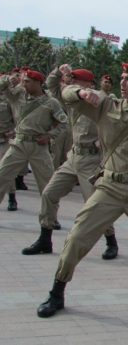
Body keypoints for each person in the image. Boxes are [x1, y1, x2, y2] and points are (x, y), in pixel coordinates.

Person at [36, 62, 128, 318]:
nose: (123, 83)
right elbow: (64, 94)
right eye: (122, 78)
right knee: (77, 238)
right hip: (109, 188)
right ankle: (57, 292)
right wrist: (80, 92)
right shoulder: (105, 106)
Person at [22, 65, 119, 258]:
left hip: (92, 159)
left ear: (90, 83)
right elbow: (51, 85)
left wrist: (108, 140)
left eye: (76, 80)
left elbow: (119, 121)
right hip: (73, 157)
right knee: (49, 194)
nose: (72, 83)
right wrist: (59, 71)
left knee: (95, 204)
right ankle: (45, 239)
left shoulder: (102, 99)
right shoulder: (71, 97)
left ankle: (111, 241)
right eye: (71, 80)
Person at [0, 71, 68, 211]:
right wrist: (8, 79)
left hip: (39, 147)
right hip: (18, 145)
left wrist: (49, 136)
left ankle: (50, 217)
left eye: (27, 81)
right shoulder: (18, 95)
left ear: (37, 83)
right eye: (23, 81)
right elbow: (2, 87)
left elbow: (63, 124)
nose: (23, 84)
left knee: (48, 185)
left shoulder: (51, 102)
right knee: (2, 177)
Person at [0, 76, 18, 210]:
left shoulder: (9, 100)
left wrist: (13, 131)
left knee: (6, 171)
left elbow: (18, 118)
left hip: (3, 141)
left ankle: (12, 197)